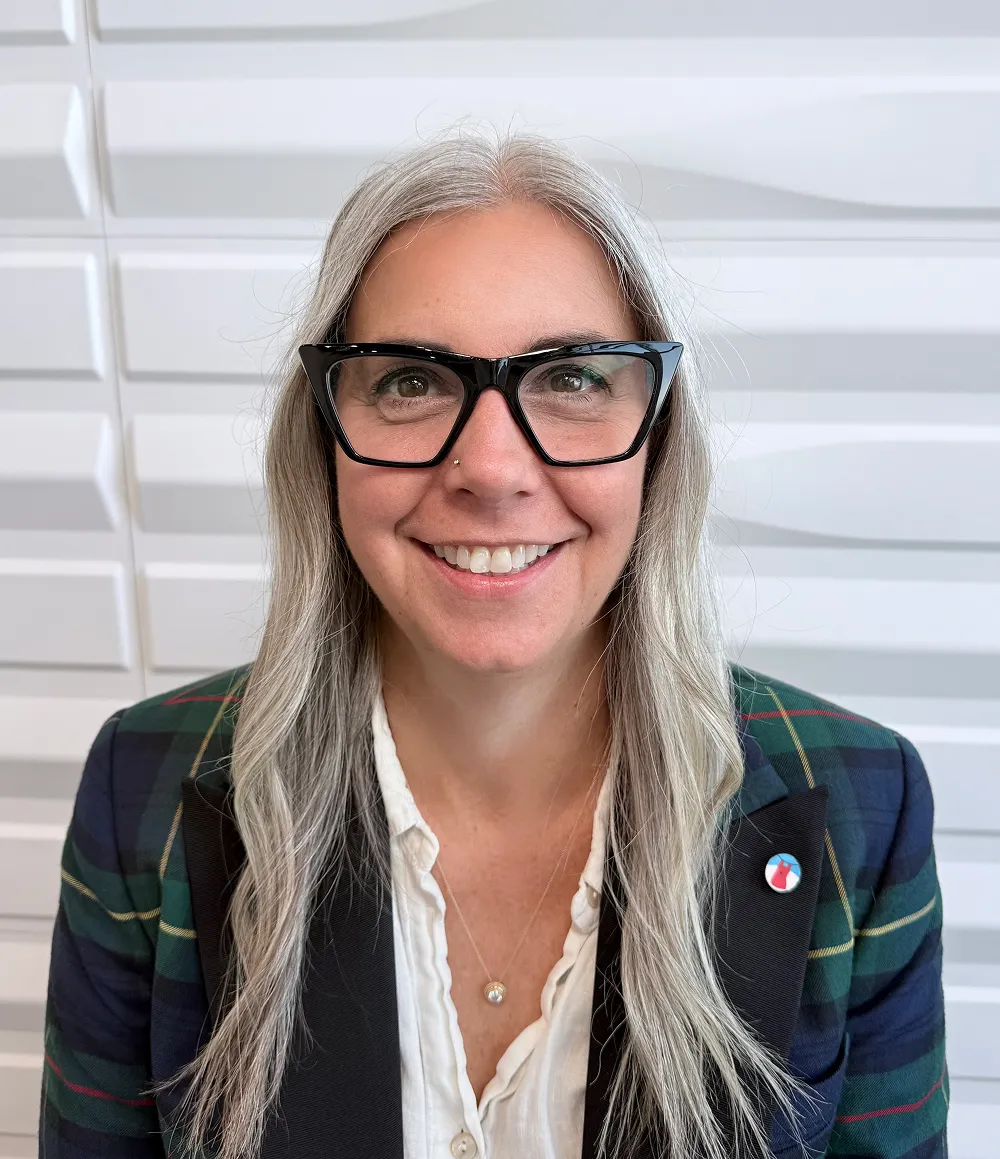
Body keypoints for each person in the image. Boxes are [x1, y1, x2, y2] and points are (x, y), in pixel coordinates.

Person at [39, 130, 947, 1159]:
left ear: (657, 435)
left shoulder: (859, 810)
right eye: (410, 380)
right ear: (324, 431)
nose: (491, 468)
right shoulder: (144, 789)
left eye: (570, 378)